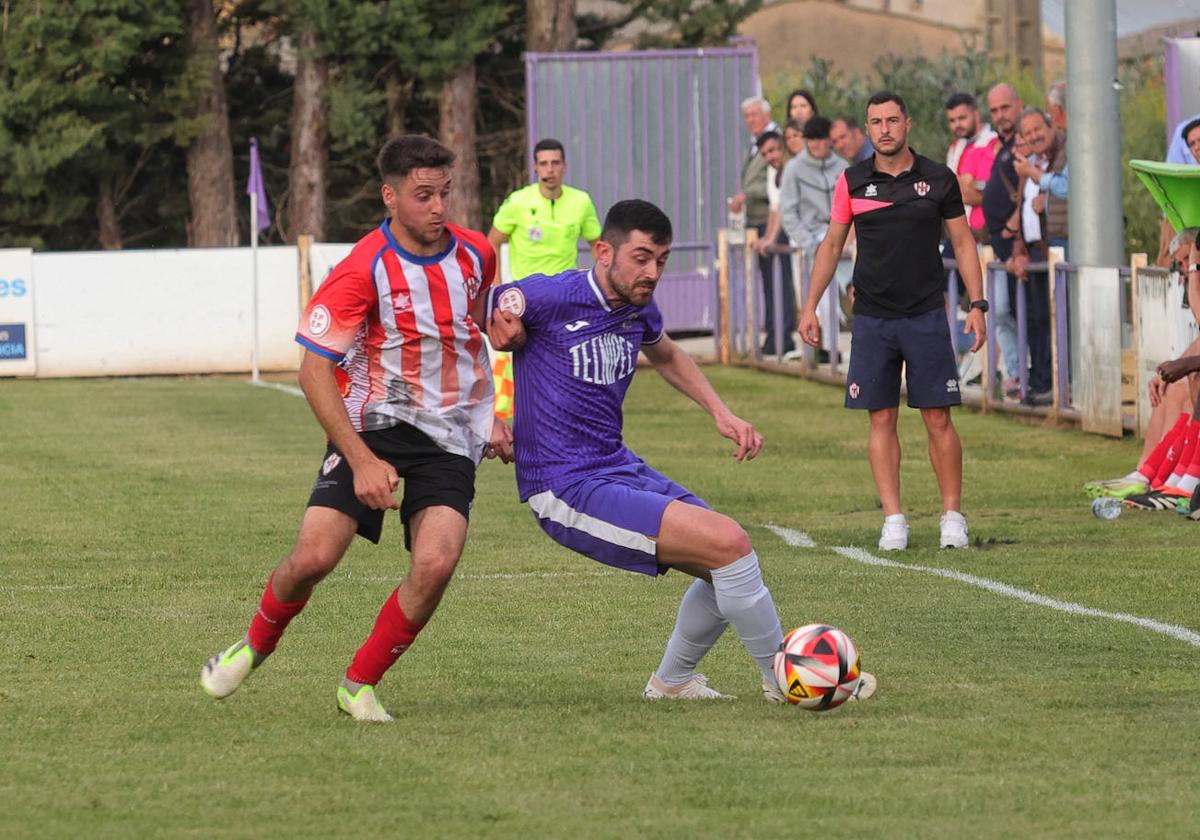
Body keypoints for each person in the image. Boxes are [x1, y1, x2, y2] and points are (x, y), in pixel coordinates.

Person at [487, 198, 878, 702]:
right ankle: (785, 678)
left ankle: (671, 683)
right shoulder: (547, 296)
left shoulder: (638, 304)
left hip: (615, 465)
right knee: (729, 544)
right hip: (563, 485)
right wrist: (486, 411)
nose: (653, 272)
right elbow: (458, 326)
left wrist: (722, 412)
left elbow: (667, 352)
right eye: (642, 257)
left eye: (663, 260)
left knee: (725, 560)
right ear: (603, 251)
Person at [199, 135, 514, 723]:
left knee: (437, 562)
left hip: (448, 435)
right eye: (424, 196)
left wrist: (488, 411)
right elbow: (314, 371)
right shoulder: (361, 268)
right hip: (373, 427)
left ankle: (358, 684)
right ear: (390, 197)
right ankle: (254, 645)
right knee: (314, 557)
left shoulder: (476, 255)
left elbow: (468, 334)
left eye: (446, 193)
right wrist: (363, 460)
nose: (439, 207)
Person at [798, 91, 987, 551]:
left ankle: (952, 517)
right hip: (872, 319)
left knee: (937, 417)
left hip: (925, 314)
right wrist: (809, 306)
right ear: (868, 130)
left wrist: (977, 305)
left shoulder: (939, 180)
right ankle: (894, 520)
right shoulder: (853, 181)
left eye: (892, 120)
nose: (884, 129)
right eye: (875, 122)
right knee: (880, 417)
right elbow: (830, 246)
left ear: (908, 124)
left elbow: (963, 244)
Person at [488, 138, 602, 419]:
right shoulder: (518, 202)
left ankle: (566, 412)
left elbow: (598, 246)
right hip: (527, 298)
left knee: (566, 359)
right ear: (535, 168)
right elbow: (491, 243)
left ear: (564, 167)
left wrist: (601, 290)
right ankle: (512, 416)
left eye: (555, 163)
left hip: (567, 297)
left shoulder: (581, 202)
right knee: (522, 359)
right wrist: (498, 287)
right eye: (543, 164)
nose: (549, 169)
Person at [1008, 107, 1068, 406]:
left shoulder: (1064, 155)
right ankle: (1040, 380)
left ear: (1051, 125)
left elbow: (1069, 188)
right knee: (1035, 319)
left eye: (1037, 129)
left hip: (1055, 250)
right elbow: (1021, 211)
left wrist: (1038, 178)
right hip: (1033, 253)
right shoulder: (1029, 165)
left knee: (1053, 318)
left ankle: (1054, 384)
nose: (1034, 136)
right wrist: (1018, 251)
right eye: (1027, 132)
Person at [779, 115, 852, 357]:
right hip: (808, 239)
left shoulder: (843, 167)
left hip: (841, 235)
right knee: (816, 292)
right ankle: (822, 346)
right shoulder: (793, 169)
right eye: (813, 141)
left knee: (853, 286)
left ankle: (834, 346)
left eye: (823, 141)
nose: (818, 146)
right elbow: (788, 212)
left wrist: (846, 239)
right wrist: (810, 243)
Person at [730, 97, 793, 355]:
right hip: (757, 220)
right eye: (746, 116)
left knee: (780, 279)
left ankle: (783, 336)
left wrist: (747, 194)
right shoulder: (756, 145)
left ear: (766, 114)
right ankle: (772, 335)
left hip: (774, 219)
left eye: (754, 115)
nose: (750, 121)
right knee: (768, 282)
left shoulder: (775, 142)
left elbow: (775, 181)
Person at [980, 83, 1026, 399]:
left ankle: (1024, 375)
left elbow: (1029, 185)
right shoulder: (1002, 145)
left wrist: (1015, 223)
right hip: (999, 245)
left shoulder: (1022, 143)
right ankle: (1016, 372)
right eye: (994, 110)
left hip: (1018, 245)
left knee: (1018, 311)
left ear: (1019, 105)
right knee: (1000, 312)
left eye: (1005, 108)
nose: (1000, 115)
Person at [754, 129, 798, 358]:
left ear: (782, 147)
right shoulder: (773, 173)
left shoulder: (793, 167)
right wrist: (767, 238)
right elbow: (775, 209)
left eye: (772, 150)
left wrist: (770, 238)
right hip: (792, 236)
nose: (770, 157)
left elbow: (782, 208)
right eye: (765, 154)